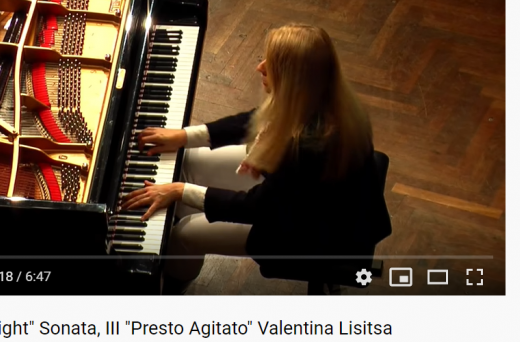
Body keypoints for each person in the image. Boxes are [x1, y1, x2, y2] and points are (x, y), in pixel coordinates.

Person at [120, 24, 392, 293]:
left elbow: (255, 207)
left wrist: (181, 191)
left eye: (271, 65)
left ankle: (167, 289)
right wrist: (184, 136)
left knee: (183, 235)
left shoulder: (307, 148)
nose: (260, 67)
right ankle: (174, 215)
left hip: (309, 231)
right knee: (189, 161)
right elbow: (255, 120)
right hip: (297, 195)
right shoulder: (318, 96)